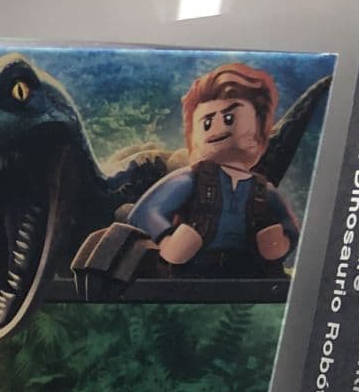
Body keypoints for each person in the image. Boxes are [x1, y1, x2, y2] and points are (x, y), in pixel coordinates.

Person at [125, 62, 300, 276]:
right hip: (193, 270)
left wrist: (282, 242)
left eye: (229, 118)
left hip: (248, 272)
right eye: (207, 123)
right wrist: (167, 239)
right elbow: (145, 212)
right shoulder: (191, 179)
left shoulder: (264, 190)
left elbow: (290, 226)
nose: (217, 128)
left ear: (258, 131)